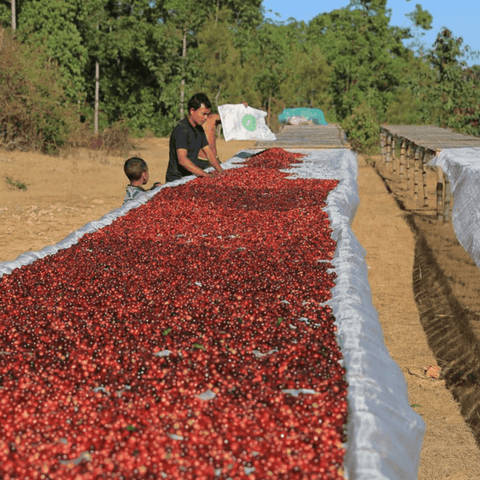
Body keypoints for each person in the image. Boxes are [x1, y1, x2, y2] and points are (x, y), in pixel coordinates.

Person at [166, 93, 225, 182]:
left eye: (207, 114)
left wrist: (221, 171)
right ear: (192, 111)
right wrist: (204, 174)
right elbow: (182, 160)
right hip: (176, 179)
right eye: (203, 114)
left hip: (189, 176)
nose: (205, 118)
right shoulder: (182, 129)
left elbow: (208, 152)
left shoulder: (199, 128)